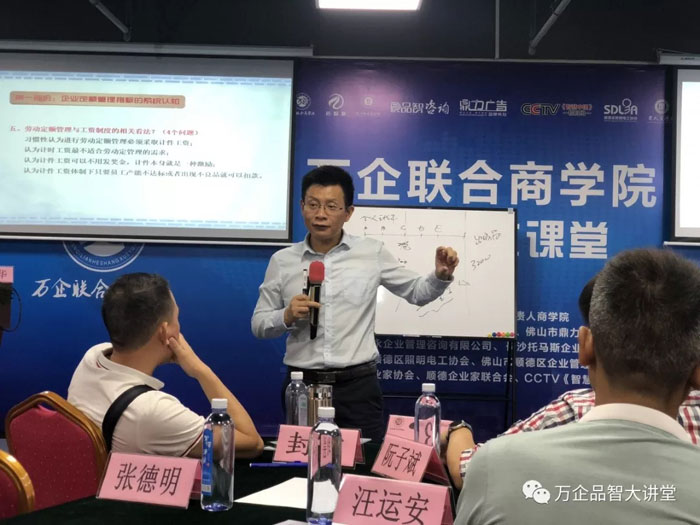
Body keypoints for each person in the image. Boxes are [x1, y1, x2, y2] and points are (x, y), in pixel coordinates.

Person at [454, 248, 700, 523]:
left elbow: (463, 468)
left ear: (585, 346)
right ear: (697, 370)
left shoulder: (494, 467)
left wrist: (456, 430)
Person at [251, 165, 459, 440]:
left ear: (348, 212)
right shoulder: (282, 261)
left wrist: (440, 276)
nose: (320, 214)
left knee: (362, 462)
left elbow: (416, 292)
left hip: (357, 388)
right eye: (313, 204)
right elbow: (259, 324)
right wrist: (286, 316)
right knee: (304, 462)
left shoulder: (371, 252)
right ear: (302, 207)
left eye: (331, 206)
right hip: (302, 386)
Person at [68, 273, 264, 459]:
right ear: (164, 331)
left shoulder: (92, 358)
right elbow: (252, 442)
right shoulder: (152, 411)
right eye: (176, 318)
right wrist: (200, 370)